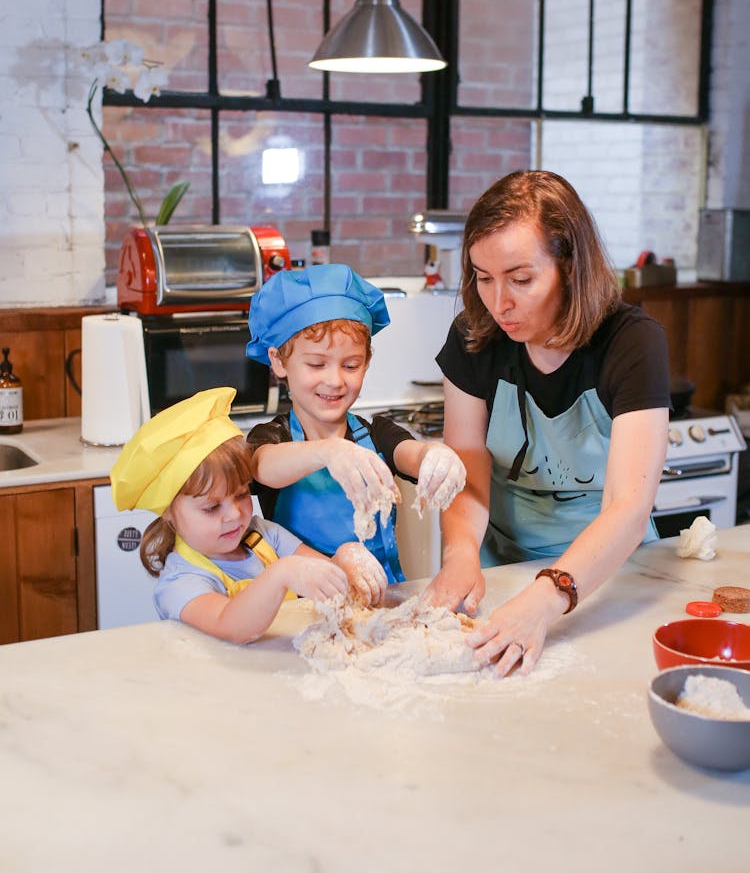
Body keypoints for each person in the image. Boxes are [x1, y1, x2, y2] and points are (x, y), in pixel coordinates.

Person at [426, 170, 670, 677]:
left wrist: (547, 596)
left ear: (570, 268)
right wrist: (461, 551)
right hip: (505, 567)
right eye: (482, 277)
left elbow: (628, 505)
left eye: (520, 279)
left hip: (611, 573)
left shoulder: (632, 344)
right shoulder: (476, 336)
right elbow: (466, 459)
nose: (499, 303)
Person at [245, 263, 466, 588]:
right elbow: (260, 466)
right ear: (279, 361)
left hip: (383, 600)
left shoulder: (377, 435)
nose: (334, 380)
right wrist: (327, 452)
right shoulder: (273, 440)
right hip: (303, 608)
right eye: (316, 364)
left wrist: (436, 455)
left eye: (351, 365)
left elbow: (413, 455)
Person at [109, 387, 387, 645]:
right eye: (211, 507)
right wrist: (281, 574)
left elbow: (324, 576)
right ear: (169, 512)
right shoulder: (182, 580)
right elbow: (230, 625)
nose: (234, 515)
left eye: (242, 494)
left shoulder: (264, 535)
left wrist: (345, 557)